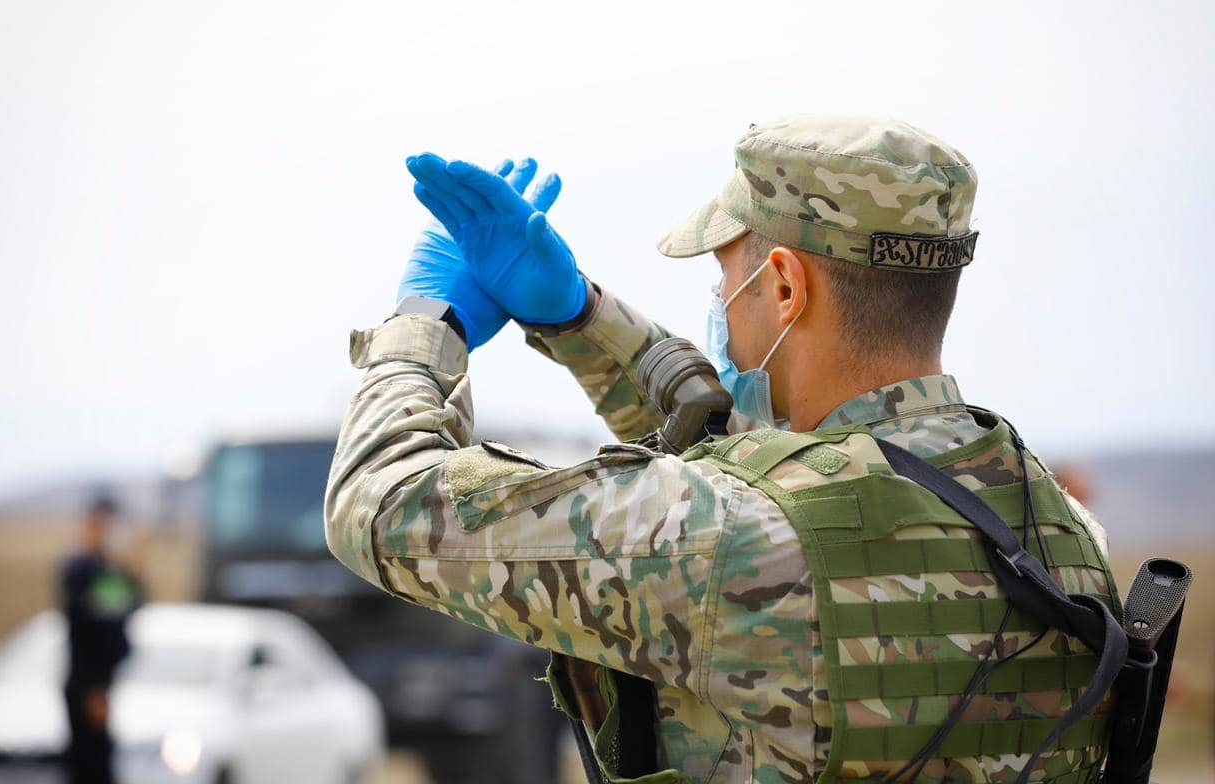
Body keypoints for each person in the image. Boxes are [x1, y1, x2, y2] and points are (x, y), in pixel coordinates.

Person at [326, 114, 1119, 783]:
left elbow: (381, 504)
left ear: (785, 286)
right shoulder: (1062, 530)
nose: (719, 302)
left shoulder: (730, 541)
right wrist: (580, 320)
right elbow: (767, 467)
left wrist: (424, 325)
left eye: (724, 277)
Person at [60, 494, 140, 784]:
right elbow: (91, 626)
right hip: (88, 682)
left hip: (101, 681)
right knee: (90, 762)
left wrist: (129, 571)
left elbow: (131, 604)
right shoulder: (81, 569)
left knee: (100, 758)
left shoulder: (107, 568)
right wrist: (94, 687)